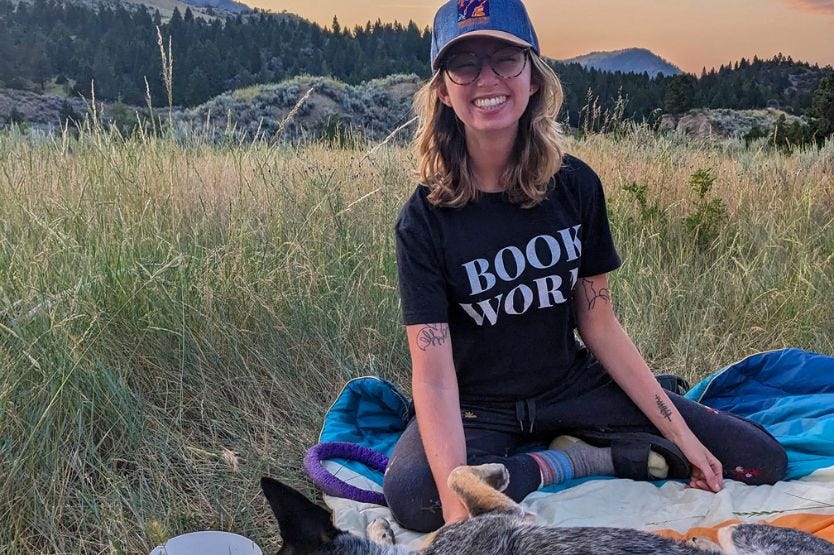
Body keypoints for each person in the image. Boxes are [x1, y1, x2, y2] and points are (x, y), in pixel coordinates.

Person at [383, 0, 787, 533]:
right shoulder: (425, 220)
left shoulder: (574, 185)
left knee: (757, 460)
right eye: (466, 64)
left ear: (533, 77)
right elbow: (433, 378)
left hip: (569, 385)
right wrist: (461, 513)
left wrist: (686, 437)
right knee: (416, 499)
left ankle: (586, 445)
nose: (488, 79)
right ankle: (585, 458)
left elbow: (598, 323)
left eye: (506, 59)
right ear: (443, 89)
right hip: (479, 406)